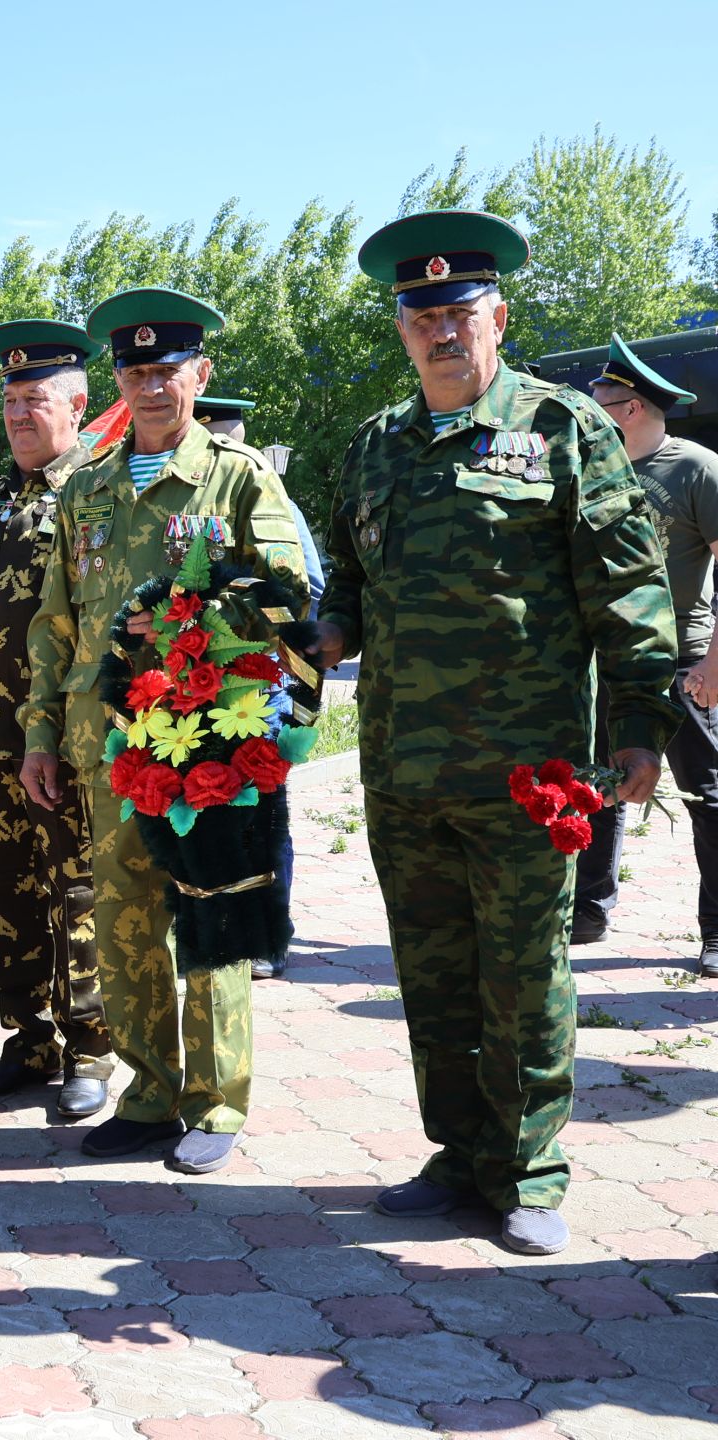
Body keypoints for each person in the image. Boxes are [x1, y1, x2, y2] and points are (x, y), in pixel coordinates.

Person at [313, 211, 678, 1255]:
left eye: (460, 313)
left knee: (524, 976)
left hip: (530, 769)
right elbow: (351, 582)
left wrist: (641, 729)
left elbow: (628, 589)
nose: (441, 331)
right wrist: (319, 630)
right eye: (422, 315)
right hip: (403, 768)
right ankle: (458, 1150)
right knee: (433, 978)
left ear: (498, 318)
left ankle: (528, 1169)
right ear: (402, 330)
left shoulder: (566, 428)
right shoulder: (378, 445)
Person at [21, 289, 310, 1176]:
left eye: (167, 370)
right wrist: (39, 734)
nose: (151, 387)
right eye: (135, 371)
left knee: (211, 919)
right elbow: (52, 622)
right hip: (108, 744)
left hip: (209, 740)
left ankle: (216, 1101)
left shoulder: (238, 476)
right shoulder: (90, 489)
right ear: (118, 379)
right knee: (124, 921)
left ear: (200, 375)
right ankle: (150, 1093)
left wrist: (197, 615)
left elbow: (290, 602)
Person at [0, 321, 115, 1119]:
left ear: (77, 405)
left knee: (76, 887)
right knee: (9, 892)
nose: (17, 414)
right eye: (8, 401)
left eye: (34, 400)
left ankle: (92, 1047)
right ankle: (30, 1036)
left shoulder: (100, 493)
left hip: (71, 740)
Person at [574, 334, 718, 977]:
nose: (589, 411)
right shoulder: (590, 469)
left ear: (628, 407)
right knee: (599, 785)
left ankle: (716, 931)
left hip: (683, 660)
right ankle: (589, 908)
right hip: (606, 656)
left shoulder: (696, 469)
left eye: (598, 401)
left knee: (707, 794)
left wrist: (714, 663)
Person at [192, 395, 329, 982]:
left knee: (260, 813)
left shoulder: (263, 490)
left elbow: (308, 586)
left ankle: (269, 939)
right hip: (190, 688)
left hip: (255, 686)